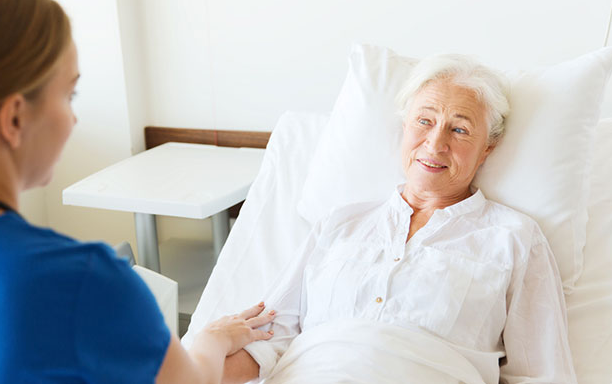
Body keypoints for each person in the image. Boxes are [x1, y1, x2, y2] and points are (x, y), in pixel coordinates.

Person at [0, 0, 274, 383]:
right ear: (14, 118)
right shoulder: (81, 280)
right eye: (69, 95)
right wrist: (211, 340)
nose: (73, 117)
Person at [223, 55, 577, 383]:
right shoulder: (340, 223)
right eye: (424, 121)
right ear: (405, 127)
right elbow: (269, 336)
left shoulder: (513, 238)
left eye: (460, 130)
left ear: (488, 148)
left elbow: (543, 373)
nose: (435, 143)